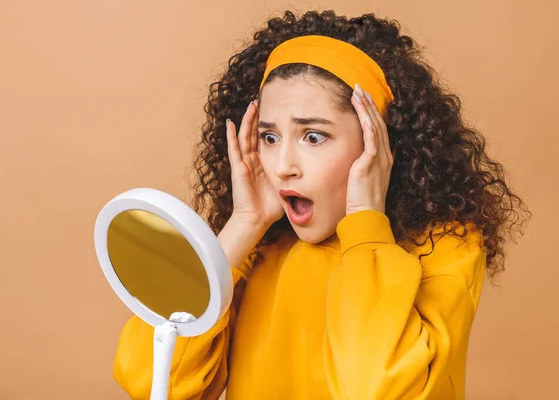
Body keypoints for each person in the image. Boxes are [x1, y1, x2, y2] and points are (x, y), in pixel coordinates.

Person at [112, 10, 530, 400]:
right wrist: (242, 226)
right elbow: (153, 380)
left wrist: (366, 225)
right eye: (269, 137)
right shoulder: (257, 249)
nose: (282, 167)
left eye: (313, 136)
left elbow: (379, 387)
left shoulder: (446, 248)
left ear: (378, 143)